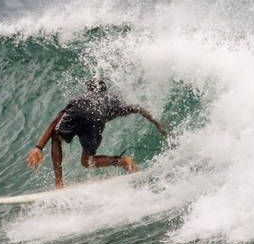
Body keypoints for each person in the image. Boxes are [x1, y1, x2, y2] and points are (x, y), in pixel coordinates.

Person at [26, 80, 167, 188]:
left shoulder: (80, 98)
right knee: (88, 161)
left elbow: (54, 123)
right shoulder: (113, 102)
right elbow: (138, 108)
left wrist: (38, 147)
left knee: (56, 138)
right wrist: (158, 124)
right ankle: (122, 161)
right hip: (96, 119)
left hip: (78, 111)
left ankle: (59, 183)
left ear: (89, 90)